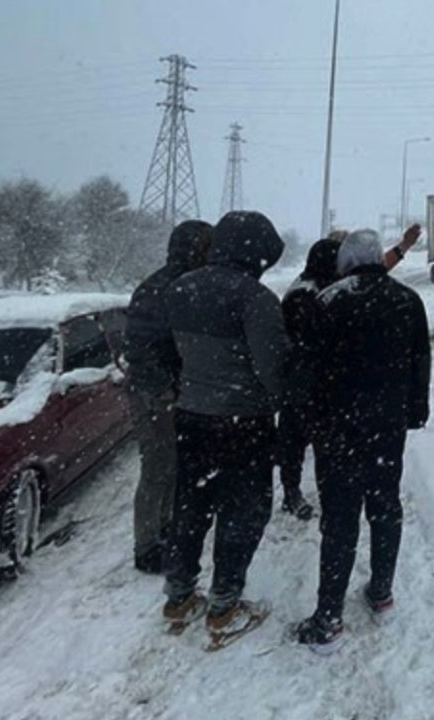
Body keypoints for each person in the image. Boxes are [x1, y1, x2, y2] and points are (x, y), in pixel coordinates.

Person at [294, 229, 431, 652]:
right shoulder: (407, 301)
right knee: (385, 506)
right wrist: (414, 411)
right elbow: (419, 360)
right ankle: (382, 592)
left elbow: (307, 370)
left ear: (346, 263)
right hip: (386, 428)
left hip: (338, 429)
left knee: (339, 518)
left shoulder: (330, 301)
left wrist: (309, 418)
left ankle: (329, 618)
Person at [160, 210, 288, 648]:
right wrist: (283, 399)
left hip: (191, 417)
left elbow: (170, 354)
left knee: (190, 506)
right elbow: (273, 370)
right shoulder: (255, 299)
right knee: (243, 510)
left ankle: (178, 596)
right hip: (243, 423)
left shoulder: (179, 289)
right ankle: (224, 606)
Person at [123, 219, 213, 574]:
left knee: (172, 464)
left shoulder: (169, 284)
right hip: (156, 393)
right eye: (208, 247)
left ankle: (164, 528)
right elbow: (139, 349)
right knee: (158, 466)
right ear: (194, 249)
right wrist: (164, 390)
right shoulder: (166, 288)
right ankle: (147, 546)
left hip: (170, 389)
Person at [277, 238, 344, 521]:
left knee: (307, 441)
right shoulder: (306, 295)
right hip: (305, 383)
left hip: (305, 382)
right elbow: (308, 343)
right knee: (301, 441)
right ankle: (292, 493)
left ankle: (309, 492)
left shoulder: (310, 287)